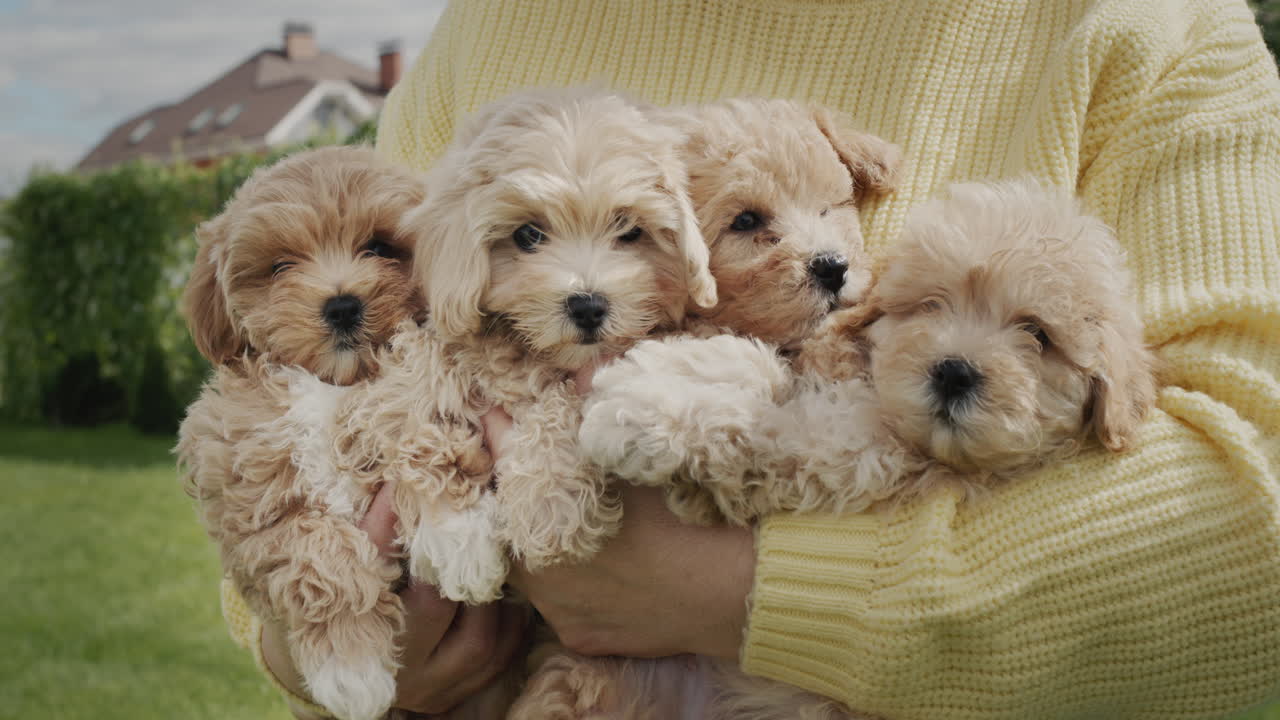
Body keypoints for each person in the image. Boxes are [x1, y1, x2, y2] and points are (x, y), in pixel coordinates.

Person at [234, 0, 1280, 717]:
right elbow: (301, 399)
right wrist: (322, 636)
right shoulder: (490, 24)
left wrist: (736, 593)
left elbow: (1252, 512)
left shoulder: (1151, 28)